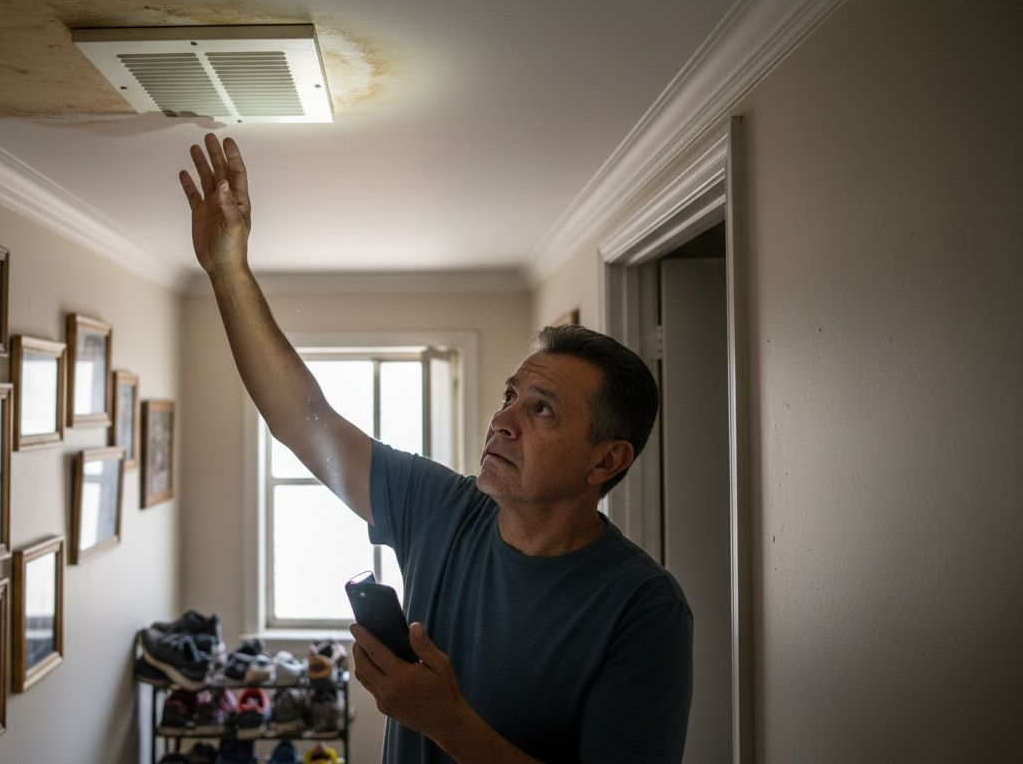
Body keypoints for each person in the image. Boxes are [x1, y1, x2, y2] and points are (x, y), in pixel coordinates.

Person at [178, 134, 692, 763]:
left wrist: (444, 720)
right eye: (511, 396)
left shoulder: (642, 608)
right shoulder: (441, 509)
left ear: (606, 461)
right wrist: (228, 270)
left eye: (542, 409)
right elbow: (303, 422)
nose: (502, 420)